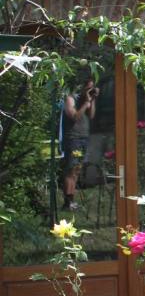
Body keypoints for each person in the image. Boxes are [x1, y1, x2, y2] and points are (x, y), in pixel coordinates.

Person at [62, 78, 98, 210]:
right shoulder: (71, 99)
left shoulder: (87, 101)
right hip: (73, 139)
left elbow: (92, 115)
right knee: (71, 169)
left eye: (92, 88)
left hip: (84, 138)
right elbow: (74, 116)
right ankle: (67, 201)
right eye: (88, 88)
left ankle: (72, 200)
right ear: (81, 88)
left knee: (77, 170)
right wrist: (86, 103)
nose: (90, 91)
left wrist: (92, 100)